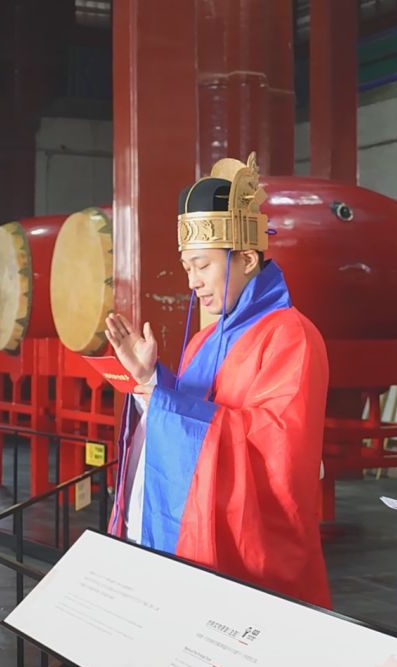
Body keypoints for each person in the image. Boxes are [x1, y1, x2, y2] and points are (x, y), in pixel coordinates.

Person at [103, 153, 331, 608]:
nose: (193, 282)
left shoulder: (291, 335)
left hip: (252, 544)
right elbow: (191, 410)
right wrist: (149, 379)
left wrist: (162, 397)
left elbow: (279, 454)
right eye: (187, 267)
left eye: (203, 265)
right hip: (193, 526)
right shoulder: (203, 340)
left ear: (246, 258)